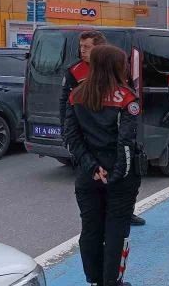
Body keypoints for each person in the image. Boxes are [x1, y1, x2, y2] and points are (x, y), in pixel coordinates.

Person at [64, 45, 142, 286]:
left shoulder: (76, 95)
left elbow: (71, 137)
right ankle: (112, 281)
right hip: (120, 176)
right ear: (116, 66)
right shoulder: (127, 97)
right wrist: (117, 174)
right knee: (117, 229)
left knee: (90, 228)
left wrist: (92, 167)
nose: (127, 68)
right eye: (124, 64)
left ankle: (95, 279)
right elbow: (126, 142)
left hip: (88, 175)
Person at [60, 30, 146, 227]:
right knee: (97, 221)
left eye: (87, 47)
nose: (82, 51)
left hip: (114, 133)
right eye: (81, 47)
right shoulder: (75, 71)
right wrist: (66, 129)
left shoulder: (117, 68)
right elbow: (66, 101)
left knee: (128, 179)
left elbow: (129, 92)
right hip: (89, 137)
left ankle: (126, 211)